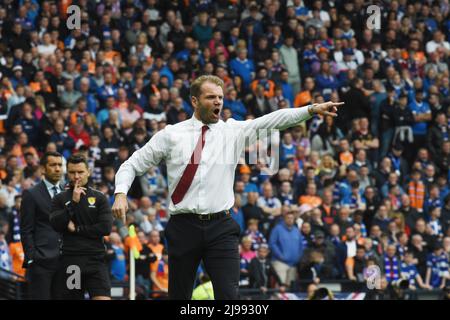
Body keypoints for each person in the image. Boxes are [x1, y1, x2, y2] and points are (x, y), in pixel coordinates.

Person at [112, 75, 343, 300]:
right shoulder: (171, 135)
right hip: (183, 227)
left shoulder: (233, 132)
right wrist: (121, 193)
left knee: (229, 296)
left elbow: (274, 119)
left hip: (220, 227)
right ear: (194, 101)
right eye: (211, 97)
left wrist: (310, 109)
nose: (218, 102)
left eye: (220, 98)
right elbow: (132, 163)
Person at [49, 154, 113, 300]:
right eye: (72, 172)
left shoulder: (99, 197)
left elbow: (105, 228)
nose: (76, 176)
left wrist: (77, 229)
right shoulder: (60, 198)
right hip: (73, 262)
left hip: (95, 260)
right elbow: (56, 224)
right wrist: (73, 203)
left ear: (88, 172)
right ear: (67, 172)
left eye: (80, 172)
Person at [20, 151, 63, 299]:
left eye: (60, 165)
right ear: (43, 169)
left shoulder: (69, 193)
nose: (57, 168)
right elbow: (26, 230)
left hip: (67, 263)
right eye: (53, 165)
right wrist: (32, 258)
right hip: (41, 263)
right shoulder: (31, 194)